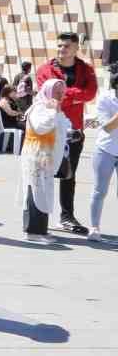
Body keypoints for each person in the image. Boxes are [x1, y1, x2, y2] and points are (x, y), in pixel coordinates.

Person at [35, 32, 99, 235]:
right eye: (60, 46)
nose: (62, 49)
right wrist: (75, 95)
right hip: (49, 129)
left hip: (74, 131)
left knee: (68, 175)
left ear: (76, 48)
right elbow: (49, 95)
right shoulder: (46, 68)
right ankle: (38, 217)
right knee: (41, 173)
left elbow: (91, 93)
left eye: (66, 46)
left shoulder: (86, 69)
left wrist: (65, 95)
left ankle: (66, 217)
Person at [20, 79, 72, 243]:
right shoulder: (39, 108)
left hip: (47, 158)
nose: (60, 95)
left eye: (62, 92)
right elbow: (41, 127)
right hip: (37, 156)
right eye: (56, 92)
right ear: (48, 91)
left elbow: (62, 127)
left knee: (44, 192)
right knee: (35, 191)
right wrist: (53, 111)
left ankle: (41, 229)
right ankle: (33, 232)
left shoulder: (54, 108)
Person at [87, 66, 118, 243]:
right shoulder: (105, 99)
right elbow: (107, 127)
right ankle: (94, 227)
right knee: (100, 190)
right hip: (106, 150)